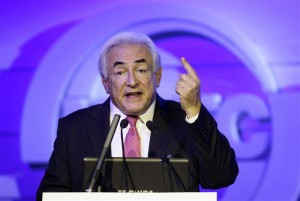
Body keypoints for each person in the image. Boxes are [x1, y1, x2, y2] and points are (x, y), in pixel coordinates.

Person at [36, 31, 238, 200]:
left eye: (141, 69)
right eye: (120, 72)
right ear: (106, 83)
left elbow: (220, 177)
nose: (132, 81)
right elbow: (51, 193)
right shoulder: (75, 128)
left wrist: (194, 110)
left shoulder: (184, 120)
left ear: (157, 76)